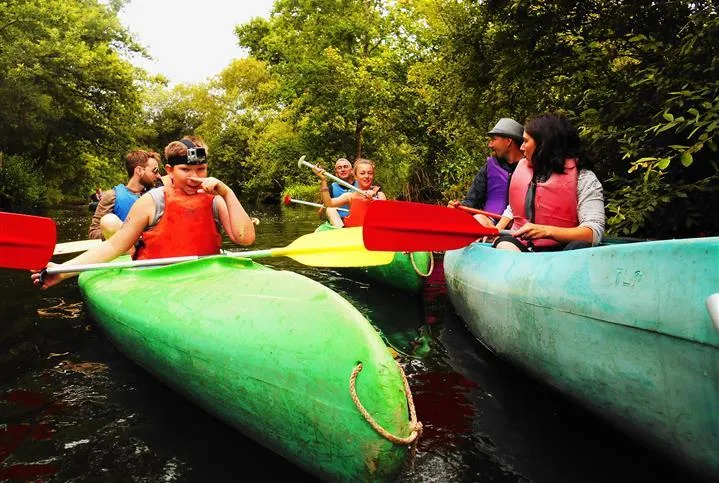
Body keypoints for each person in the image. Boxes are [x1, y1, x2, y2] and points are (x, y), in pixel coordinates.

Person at [33, 137, 256, 289]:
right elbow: (113, 246)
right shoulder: (152, 201)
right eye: (185, 169)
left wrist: (227, 193)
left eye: (201, 169)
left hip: (206, 277)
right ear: (169, 171)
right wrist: (63, 271)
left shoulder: (215, 199)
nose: (194, 176)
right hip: (156, 280)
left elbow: (245, 238)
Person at [493, 113, 605, 252]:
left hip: (565, 251)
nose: (521, 147)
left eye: (526, 141)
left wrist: (547, 231)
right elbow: (515, 208)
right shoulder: (525, 170)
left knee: (579, 247)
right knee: (504, 243)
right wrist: (497, 229)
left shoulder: (584, 178)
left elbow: (594, 232)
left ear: (543, 145)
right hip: (524, 247)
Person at [447, 117, 524, 228]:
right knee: (478, 219)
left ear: (508, 141)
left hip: (518, 228)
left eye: (494, 139)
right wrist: (458, 208)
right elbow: (471, 201)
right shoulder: (489, 168)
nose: (490, 145)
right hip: (490, 224)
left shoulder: (530, 168)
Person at [88, 150, 162, 240]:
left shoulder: (157, 196)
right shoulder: (111, 196)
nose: (159, 176)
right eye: (155, 171)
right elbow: (93, 233)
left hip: (153, 250)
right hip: (125, 250)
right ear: (139, 171)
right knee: (109, 221)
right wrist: (116, 232)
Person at [315, 158, 386, 227]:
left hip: (372, 231)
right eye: (362, 173)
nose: (367, 176)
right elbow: (328, 203)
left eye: (370, 173)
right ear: (355, 176)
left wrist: (375, 199)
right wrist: (323, 180)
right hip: (352, 231)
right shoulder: (349, 196)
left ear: (373, 175)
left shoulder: (379, 195)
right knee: (330, 210)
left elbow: (385, 215)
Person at [320, 157, 357, 227]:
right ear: (336, 173)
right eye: (339, 168)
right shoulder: (332, 188)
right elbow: (321, 216)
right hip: (338, 221)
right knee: (330, 209)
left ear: (352, 170)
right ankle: (341, 231)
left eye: (345, 167)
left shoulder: (361, 184)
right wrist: (326, 209)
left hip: (356, 220)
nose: (343, 169)